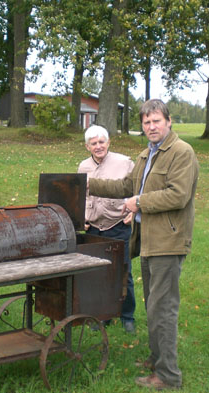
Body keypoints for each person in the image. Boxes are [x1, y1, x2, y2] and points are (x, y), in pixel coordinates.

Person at [88, 99, 199, 390]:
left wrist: (138, 202)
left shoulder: (181, 152)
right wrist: (89, 184)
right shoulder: (146, 154)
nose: (151, 126)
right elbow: (126, 186)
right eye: (146, 122)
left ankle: (168, 376)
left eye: (156, 121)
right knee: (153, 305)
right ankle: (156, 358)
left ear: (169, 121)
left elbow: (178, 195)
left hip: (168, 241)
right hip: (148, 241)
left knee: (163, 308)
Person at [78, 125, 137, 333]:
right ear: (87, 147)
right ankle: (102, 315)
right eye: (93, 143)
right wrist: (82, 218)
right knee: (98, 273)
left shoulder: (124, 163)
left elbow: (137, 190)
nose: (98, 146)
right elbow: (80, 196)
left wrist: (134, 212)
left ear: (109, 142)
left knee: (123, 272)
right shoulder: (83, 167)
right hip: (94, 228)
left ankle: (127, 316)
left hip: (118, 225)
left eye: (101, 142)